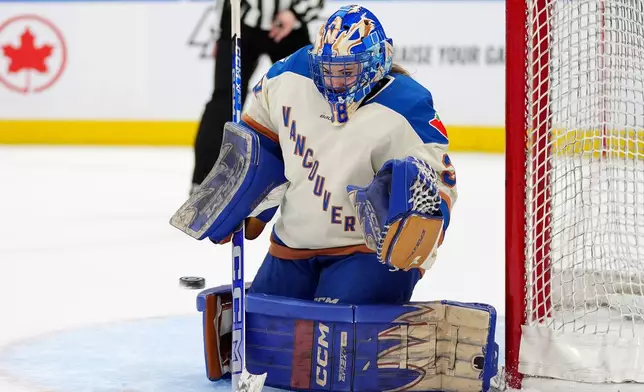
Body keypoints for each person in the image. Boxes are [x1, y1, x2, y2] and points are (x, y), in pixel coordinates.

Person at [175, 4, 458, 306]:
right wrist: (247, 195)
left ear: (377, 63)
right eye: (328, 71)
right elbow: (261, 143)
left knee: (338, 343)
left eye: (347, 72)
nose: (335, 82)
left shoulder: (410, 106)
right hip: (294, 245)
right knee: (268, 339)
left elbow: (438, 185)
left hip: (365, 253)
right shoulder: (288, 77)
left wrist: (418, 221)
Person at [191, 0, 325, 192]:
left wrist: (295, 13)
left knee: (308, 96)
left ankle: (317, 173)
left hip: (291, 24)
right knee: (223, 100)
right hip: (241, 21)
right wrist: (220, 31)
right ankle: (204, 182)